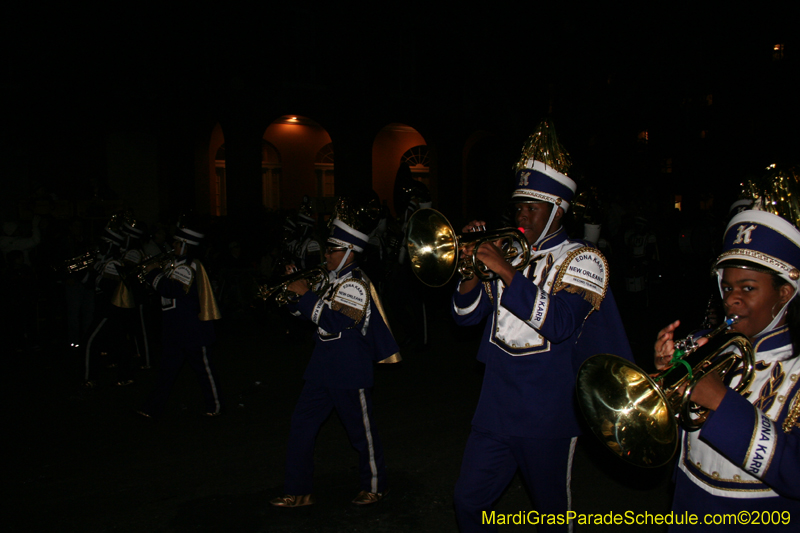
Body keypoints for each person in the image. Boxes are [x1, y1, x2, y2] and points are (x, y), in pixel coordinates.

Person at [451, 120, 633, 532]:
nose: (521, 216)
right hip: (495, 407)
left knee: (551, 515)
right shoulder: (508, 250)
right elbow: (465, 317)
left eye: (532, 208)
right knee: (467, 501)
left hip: (548, 414)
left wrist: (502, 268)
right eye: (519, 206)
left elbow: (560, 323)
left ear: (558, 210)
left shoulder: (584, 259)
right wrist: (470, 269)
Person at [654, 195, 800, 530]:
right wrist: (666, 379)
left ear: (785, 293)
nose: (732, 298)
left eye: (748, 288)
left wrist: (718, 399)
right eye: (728, 286)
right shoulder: (704, 343)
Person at [270, 201, 401, 508]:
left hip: (348, 369)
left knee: (361, 434)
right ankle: (298, 489)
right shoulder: (331, 279)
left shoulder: (356, 284)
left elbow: (334, 320)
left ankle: (375, 486)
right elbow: (307, 315)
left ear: (348, 252)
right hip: (321, 368)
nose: (325, 255)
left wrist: (305, 294)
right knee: (301, 426)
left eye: (331, 250)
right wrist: (293, 294)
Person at [138, 220, 222, 418]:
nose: (173, 245)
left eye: (177, 242)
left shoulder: (191, 266)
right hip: (174, 328)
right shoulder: (175, 264)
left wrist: (154, 272)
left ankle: (216, 406)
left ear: (186, 244)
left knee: (204, 370)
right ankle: (152, 408)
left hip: (192, 328)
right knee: (166, 372)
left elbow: (173, 289)